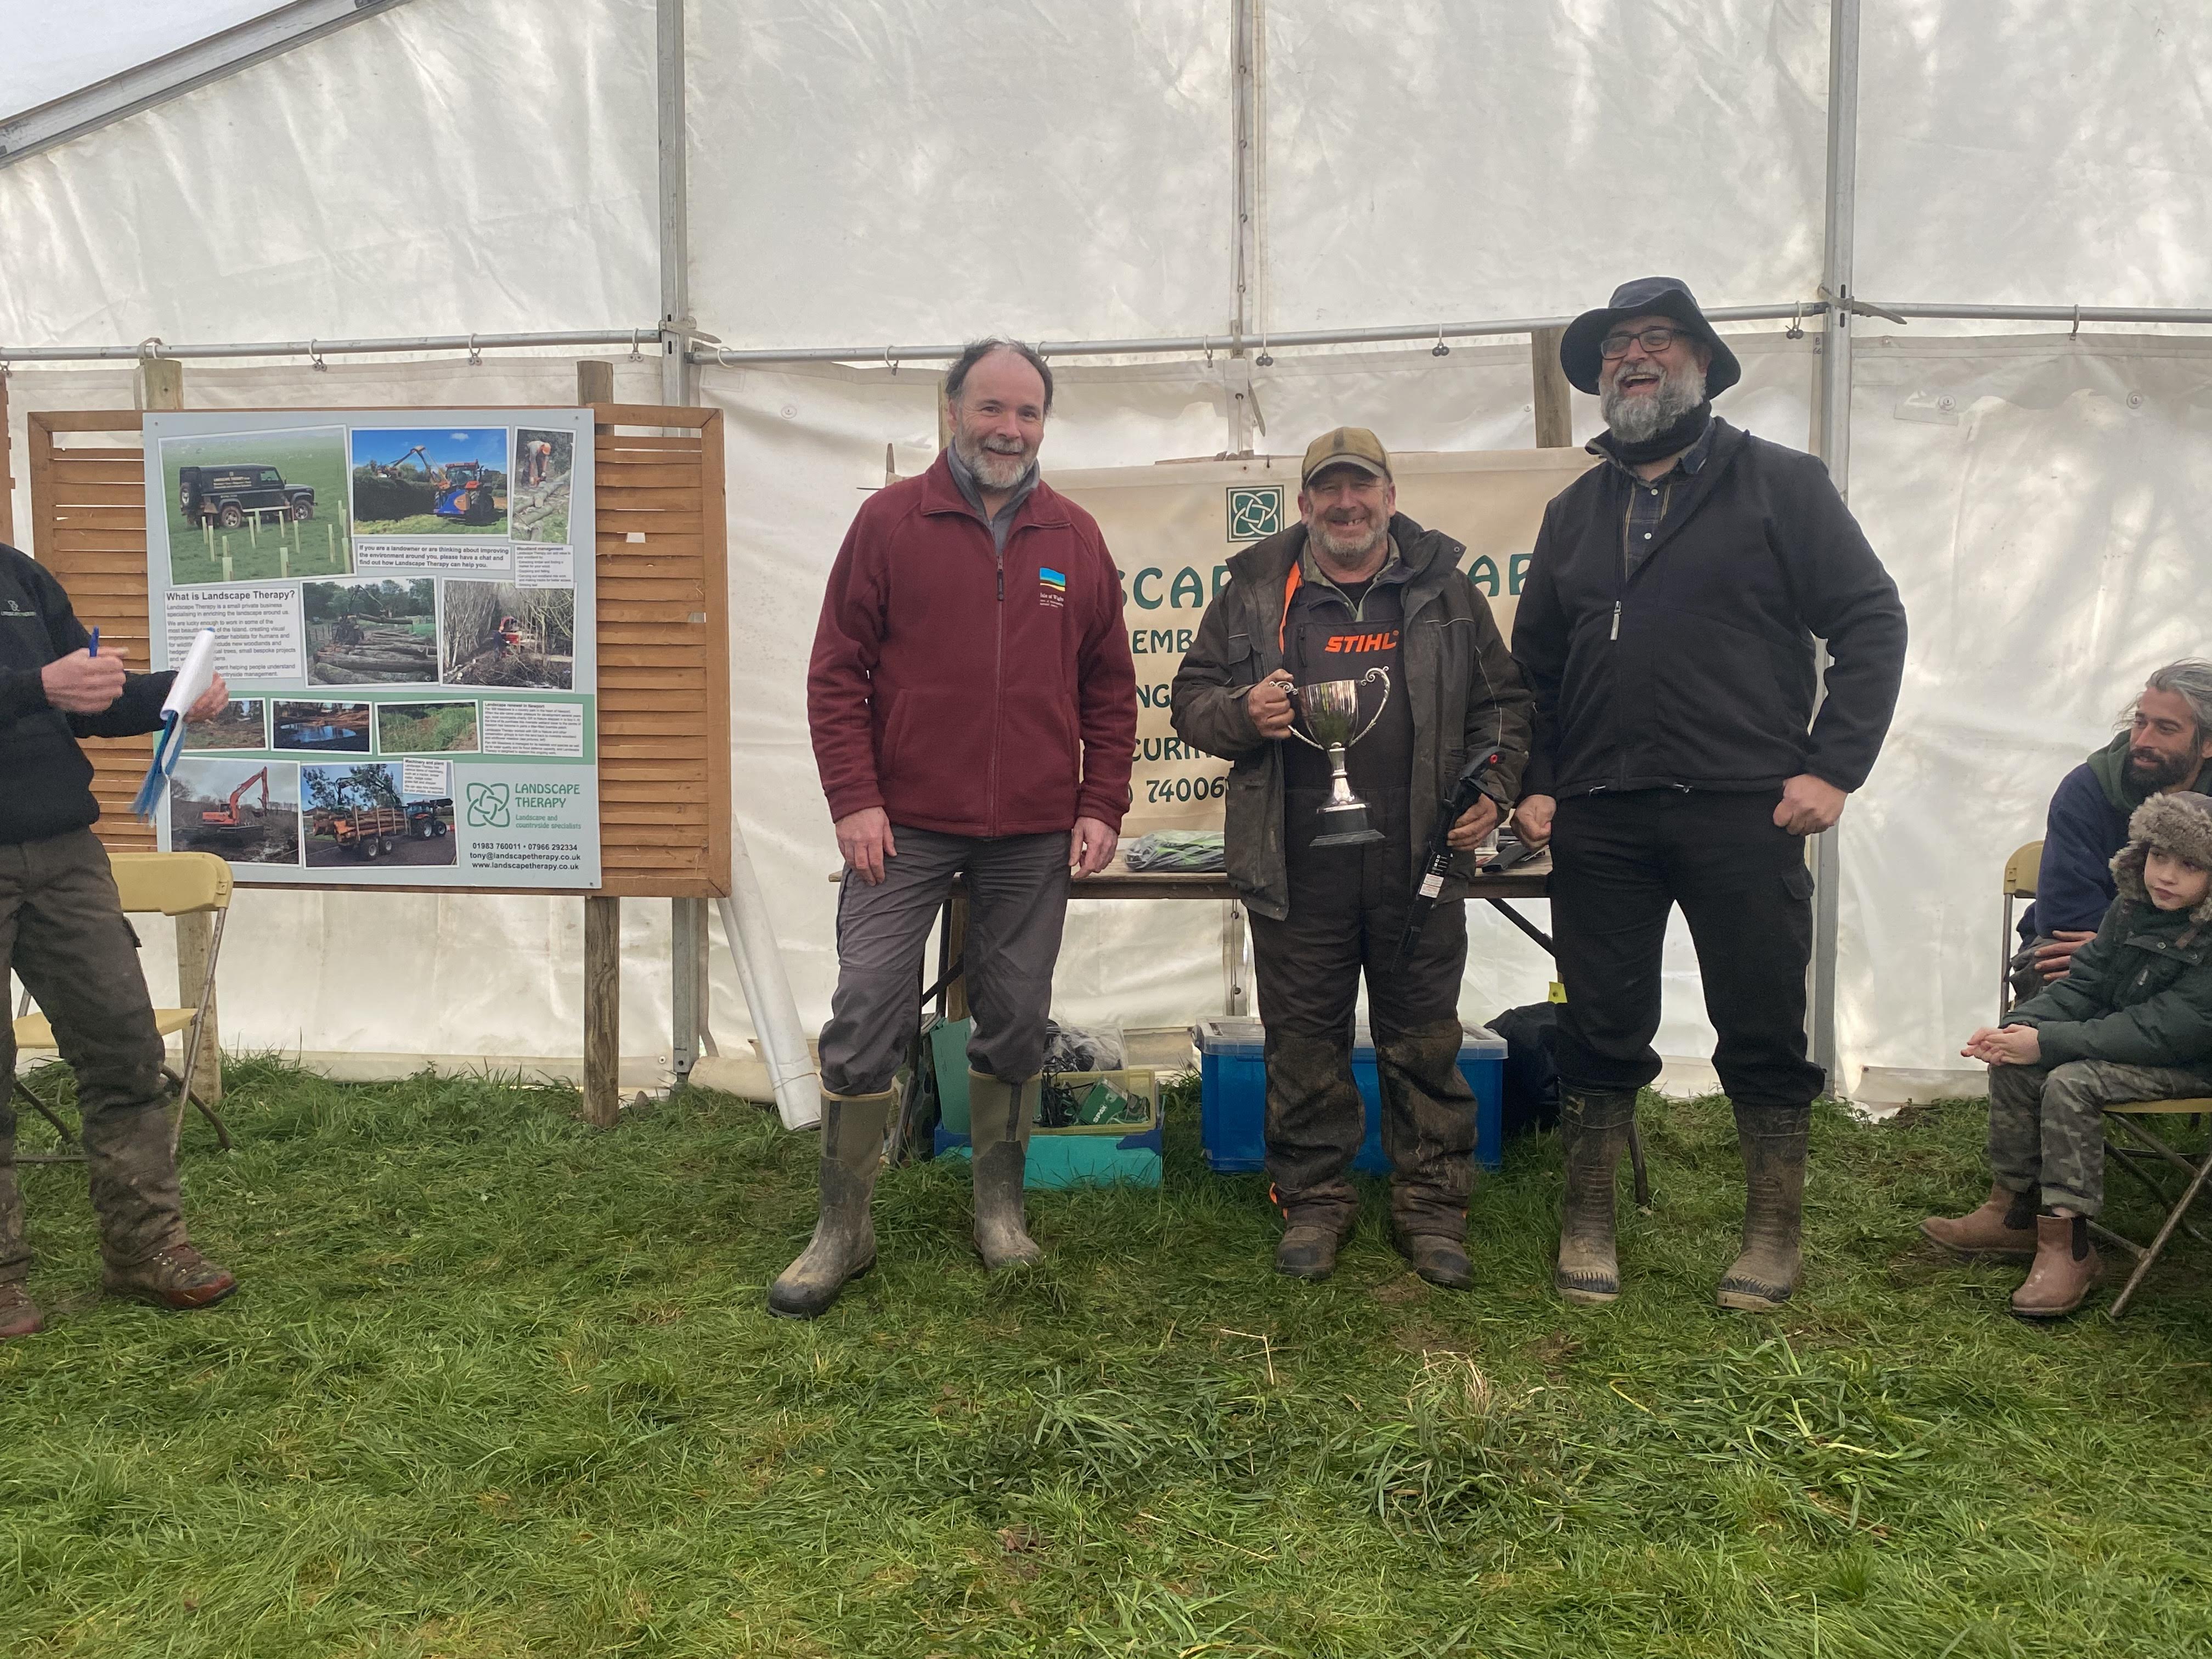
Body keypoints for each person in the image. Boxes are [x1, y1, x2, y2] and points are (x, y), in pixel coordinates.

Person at [1511, 277, 1909, 1312]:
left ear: (1700, 363)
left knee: (1760, 1019)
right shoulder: (1572, 513)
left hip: (1744, 806)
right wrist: (1539, 782)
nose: (1632, 359)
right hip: (1600, 812)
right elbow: (1535, 667)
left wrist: (1834, 765)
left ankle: (1772, 1233)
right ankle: (1588, 1218)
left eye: (1657, 339)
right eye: (1615, 347)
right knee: (1600, 1021)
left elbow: (1870, 619)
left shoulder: (1781, 483)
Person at [771, 338, 1138, 1319]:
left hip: (1032, 831)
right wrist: (854, 798)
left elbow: (1110, 686)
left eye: (1027, 412)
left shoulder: (1074, 535)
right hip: (902, 827)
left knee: (1016, 1017)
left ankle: (1000, 1211)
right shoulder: (891, 521)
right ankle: (843, 1229)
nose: (1008, 429)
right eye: (991, 408)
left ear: (1044, 423)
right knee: (867, 1008)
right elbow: (835, 672)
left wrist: (1101, 801)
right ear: (950, 410)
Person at [1172, 427, 1530, 1288]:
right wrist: (1241, 715)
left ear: (1390, 497)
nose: (1346, 504)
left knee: (1425, 1041)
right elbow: (1190, 700)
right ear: (1304, 505)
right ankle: (1314, 1203)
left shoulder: (1448, 589)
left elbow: (1503, 706)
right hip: (1296, 863)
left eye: (1361, 487)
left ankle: (1433, 1208)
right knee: (1303, 1046)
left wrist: (1493, 786)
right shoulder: (1254, 593)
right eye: (1328, 490)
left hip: (1422, 861)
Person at [1, 543, 238, 1340]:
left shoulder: (17, 574)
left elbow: (88, 700)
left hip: (63, 851)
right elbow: (48, 688)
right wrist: (37, 686)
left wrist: (173, 695)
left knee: (124, 1050)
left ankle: (145, 1247)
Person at [1928, 792, 2212, 1317]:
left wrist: (2048, 1041)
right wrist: (2017, 1028)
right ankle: (2013, 1211)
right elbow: (2085, 985)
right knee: (2018, 1058)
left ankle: (2071, 1248)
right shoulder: (2131, 908)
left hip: (2192, 1062)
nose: (2167, 875)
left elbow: (2168, 1028)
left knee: (2072, 1081)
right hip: (2129, 1045)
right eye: (2158, 856)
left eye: (2190, 865)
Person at [2008, 663, 2212, 1001]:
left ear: (2207, 744)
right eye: (2140, 722)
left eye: (2165, 729)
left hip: (2192, 950)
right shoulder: (2087, 789)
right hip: (2082, 943)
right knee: (2059, 972)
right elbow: (2066, 914)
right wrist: (2119, 949)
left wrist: (2152, 951)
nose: (2143, 740)